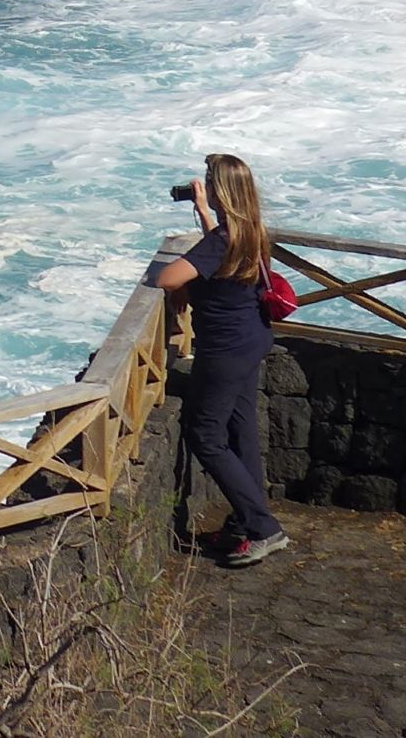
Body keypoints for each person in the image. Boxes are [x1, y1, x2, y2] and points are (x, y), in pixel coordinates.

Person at [156, 152, 289, 567]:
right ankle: (246, 523)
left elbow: (167, 278)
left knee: (206, 436)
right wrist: (203, 212)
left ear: (223, 192)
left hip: (225, 350)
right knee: (240, 431)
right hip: (253, 338)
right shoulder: (251, 231)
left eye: (210, 183)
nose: (207, 188)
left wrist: (182, 282)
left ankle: (264, 528)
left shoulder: (221, 241)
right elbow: (219, 256)